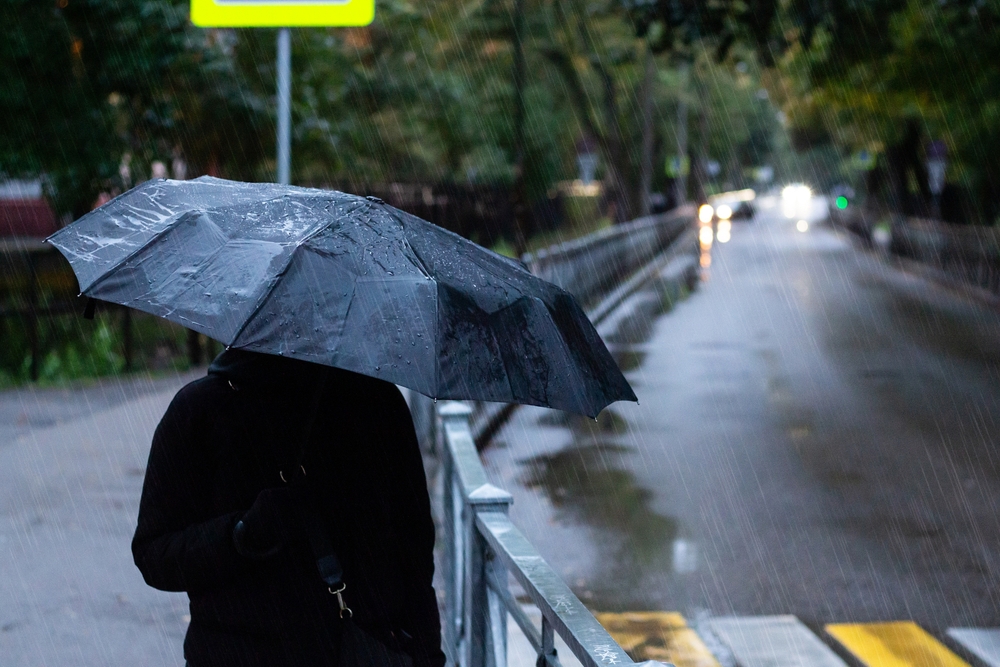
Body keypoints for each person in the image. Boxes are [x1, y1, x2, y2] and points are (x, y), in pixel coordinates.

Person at [132, 348, 445, 667]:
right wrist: (242, 535)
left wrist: (428, 652)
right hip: (243, 652)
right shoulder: (202, 410)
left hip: (354, 648)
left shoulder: (375, 403)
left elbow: (414, 545)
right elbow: (154, 554)